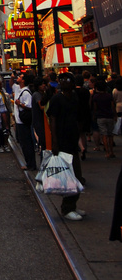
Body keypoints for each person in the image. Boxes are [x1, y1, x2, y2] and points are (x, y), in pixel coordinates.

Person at [48, 74, 85, 221]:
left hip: (72, 141)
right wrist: (55, 142)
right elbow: (53, 120)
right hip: (62, 143)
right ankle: (67, 207)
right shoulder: (57, 99)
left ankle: (72, 205)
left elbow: (78, 116)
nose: (64, 82)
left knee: (77, 176)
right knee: (70, 177)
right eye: (61, 80)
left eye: (67, 80)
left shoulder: (74, 97)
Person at [14, 71, 37, 171]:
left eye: (20, 77)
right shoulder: (21, 90)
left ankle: (31, 164)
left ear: (23, 81)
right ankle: (29, 163)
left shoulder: (26, 92)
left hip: (23, 121)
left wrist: (20, 104)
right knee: (24, 143)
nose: (18, 77)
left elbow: (30, 106)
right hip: (20, 121)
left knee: (26, 143)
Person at [92, 77, 116, 159]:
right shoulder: (109, 96)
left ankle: (107, 152)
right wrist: (114, 115)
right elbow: (112, 106)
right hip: (109, 115)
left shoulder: (95, 97)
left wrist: (94, 115)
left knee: (104, 134)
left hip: (100, 116)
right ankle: (111, 151)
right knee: (110, 134)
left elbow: (95, 108)